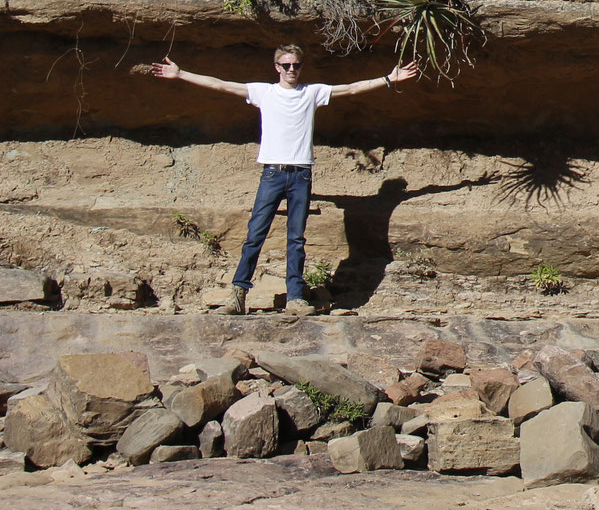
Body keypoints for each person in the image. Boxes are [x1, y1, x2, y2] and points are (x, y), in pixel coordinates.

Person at [134, 45, 418, 315]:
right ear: (276, 67)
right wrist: (181, 74)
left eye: (296, 65)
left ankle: (295, 298)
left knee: (296, 239)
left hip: (301, 174)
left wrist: (389, 79)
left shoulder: (312, 92)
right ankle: (238, 295)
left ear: (301, 66)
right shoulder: (263, 92)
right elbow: (220, 84)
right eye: (286, 65)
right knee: (255, 234)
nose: (291, 69)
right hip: (272, 173)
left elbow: (352, 88)